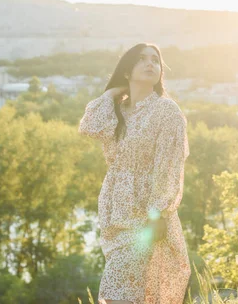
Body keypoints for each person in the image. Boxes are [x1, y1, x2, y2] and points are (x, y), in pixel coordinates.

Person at [78, 43, 191, 304]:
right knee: (132, 296)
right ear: (126, 70)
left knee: (116, 295)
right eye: (141, 59)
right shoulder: (118, 111)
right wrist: (110, 96)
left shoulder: (166, 111)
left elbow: (169, 166)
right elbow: (88, 127)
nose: (150, 63)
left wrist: (158, 212)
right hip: (114, 215)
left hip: (146, 218)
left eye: (155, 60)